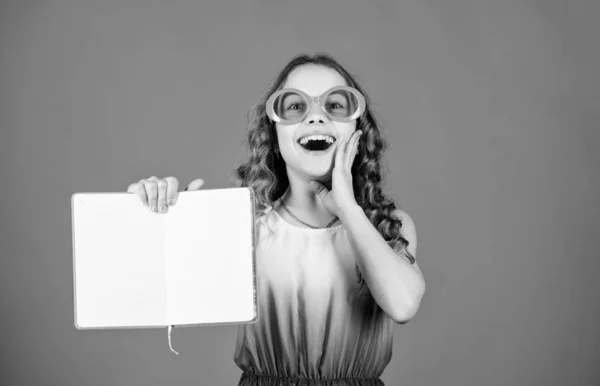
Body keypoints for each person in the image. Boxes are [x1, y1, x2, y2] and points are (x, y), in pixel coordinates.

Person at [127, 53, 426, 386]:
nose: (316, 117)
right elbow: (156, 293)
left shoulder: (387, 226)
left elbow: (403, 304)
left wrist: (348, 209)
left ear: (357, 128)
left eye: (336, 105)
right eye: (295, 106)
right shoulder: (246, 225)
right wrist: (156, 218)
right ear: (274, 132)